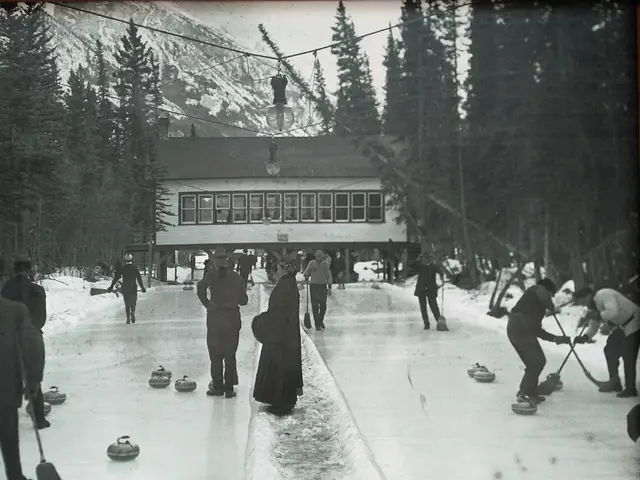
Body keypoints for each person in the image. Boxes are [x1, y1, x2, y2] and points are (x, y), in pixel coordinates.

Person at [1, 253, 50, 430]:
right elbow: (41, 319)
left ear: (14, 271)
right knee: (33, 378)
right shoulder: (37, 290)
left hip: (8, 339)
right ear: (29, 270)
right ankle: (39, 419)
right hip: (31, 339)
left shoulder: (5, 290)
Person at [252, 253, 303, 415]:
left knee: (279, 365)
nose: (277, 271)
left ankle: (281, 399)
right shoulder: (288, 284)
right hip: (284, 332)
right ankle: (283, 398)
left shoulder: (285, 286)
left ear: (285, 270)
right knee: (284, 364)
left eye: (279, 268)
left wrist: (262, 321)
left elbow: (279, 311)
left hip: (280, 333)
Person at [0, 295, 44, 480]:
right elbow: (32, 345)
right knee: (9, 443)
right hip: (4, 390)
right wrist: (33, 382)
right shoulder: (15, 311)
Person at [507, 278, 570, 404]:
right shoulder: (537, 290)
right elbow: (540, 291)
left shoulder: (532, 306)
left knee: (534, 362)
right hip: (521, 326)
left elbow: (536, 330)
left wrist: (556, 338)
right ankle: (525, 393)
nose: (551, 297)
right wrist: (550, 305)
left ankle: (530, 391)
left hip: (514, 328)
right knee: (537, 361)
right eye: (551, 294)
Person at [197, 248, 248, 398]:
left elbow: (200, 288)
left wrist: (207, 303)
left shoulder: (211, 276)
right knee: (230, 354)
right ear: (227, 262)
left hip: (215, 318)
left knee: (215, 355)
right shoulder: (236, 277)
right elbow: (243, 301)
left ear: (214, 263)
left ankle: (217, 387)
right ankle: (229, 389)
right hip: (232, 318)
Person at [572, 285, 640, 397]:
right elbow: (594, 326)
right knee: (610, 349)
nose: (584, 304)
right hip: (623, 326)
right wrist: (585, 337)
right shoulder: (594, 306)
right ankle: (615, 382)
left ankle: (631, 388)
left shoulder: (604, 294)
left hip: (635, 321)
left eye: (583, 301)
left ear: (589, 295)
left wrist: (598, 315)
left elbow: (613, 311)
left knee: (628, 353)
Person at [107, 253, 146, 324]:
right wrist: (142, 287)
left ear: (125, 260)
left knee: (127, 303)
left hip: (125, 288)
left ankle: (128, 318)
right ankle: (133, 312)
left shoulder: (122, 268)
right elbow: (139, 278)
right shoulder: (134, 268)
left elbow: (116, 277)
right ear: (132, 259)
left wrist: (111, 286)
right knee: (133, 302)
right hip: (133, 287)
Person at [413, 251, 445, 330]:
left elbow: (441, 273)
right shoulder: (420, 266)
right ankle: (426, 324)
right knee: (423, 308)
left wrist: (441, 279)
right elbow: (412, 265)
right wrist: (417, 259)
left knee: (433, 306)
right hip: (421, 289)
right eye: (424, 258)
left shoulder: (433, 266)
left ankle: (438, 322)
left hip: (431, 289)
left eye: (427, 259)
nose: (426, 260)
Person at [303, 250, 332, 330]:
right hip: (313, 286)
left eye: (320, 254)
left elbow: (328, 276)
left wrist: (329, 287)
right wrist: (306, 275)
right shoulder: (311, 263)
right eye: (317, 255)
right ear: (315, 255)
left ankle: (320, 320)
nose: (319, 256)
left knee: (323, 306)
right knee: (315, 306)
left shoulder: (325, 264)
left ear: (322, 255)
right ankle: (317, 324)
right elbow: (306, 272)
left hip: (322, 286)